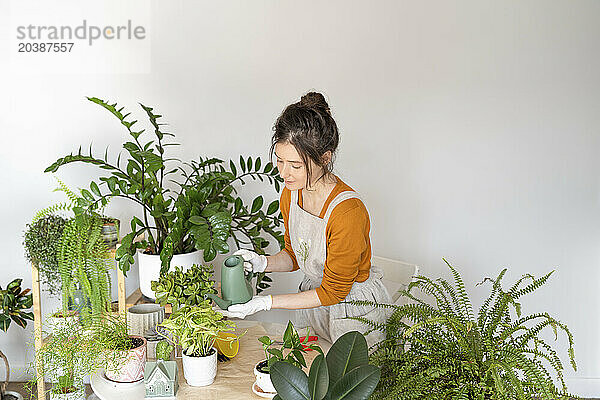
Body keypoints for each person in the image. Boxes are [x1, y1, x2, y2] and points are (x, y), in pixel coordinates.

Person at [223, 91, 391, 347]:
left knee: (349, 382)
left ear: (325, 158)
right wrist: (261, 263)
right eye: (280, 161)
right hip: (314, 302)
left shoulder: (347, 213)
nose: (284, 173)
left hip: (354, 310)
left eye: (296, 165)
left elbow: (334, 291)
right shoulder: (291, 196)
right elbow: (294, 255)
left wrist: (266, 302)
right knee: (309, 375)